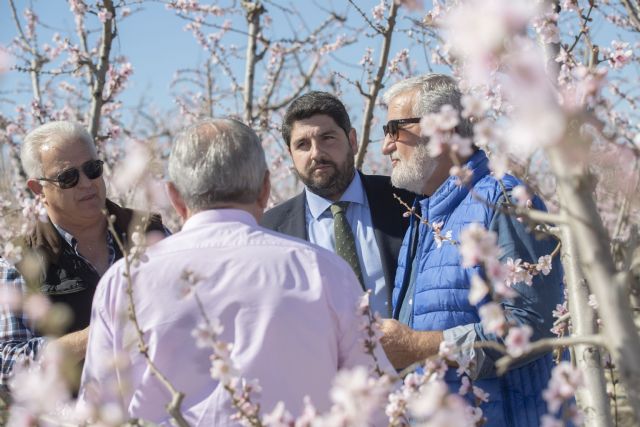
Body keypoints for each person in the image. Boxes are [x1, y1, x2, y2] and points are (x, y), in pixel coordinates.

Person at [79, 118, 393, 425]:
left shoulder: (125, 282)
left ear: (174, 197)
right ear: (265, 188)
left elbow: (98, 412)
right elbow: (375, 403)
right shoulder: (323, 270)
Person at [378, 74, 564, 426]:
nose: (386, 146)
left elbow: (533, 325)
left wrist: (420, 345)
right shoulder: (424, 217)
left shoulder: (501, 202)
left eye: (395, 129)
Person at [0, 121, 166, 387]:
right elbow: (7, 364)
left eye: (92, 169)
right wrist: (94, 336)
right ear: (38, 190)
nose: (87, 183)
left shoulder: (150, 233)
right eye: (68, 177)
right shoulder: (20, 262)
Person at [261, 91, 411, 318]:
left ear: (352, 140)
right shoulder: (270, 231)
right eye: (303, 144)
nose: (316, 153)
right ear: (290, 154)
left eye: (327, 138)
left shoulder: (405, 200)